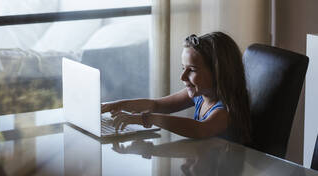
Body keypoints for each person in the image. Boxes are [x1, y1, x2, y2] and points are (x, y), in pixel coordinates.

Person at [101, 31, 251, 144]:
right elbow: (156, 104)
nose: (183, 77)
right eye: (183, 68)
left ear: (219, 73)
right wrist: (116, 104)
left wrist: (146, 118)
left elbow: (200, 129)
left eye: (192, 70)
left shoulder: (224, 111)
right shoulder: (201, 95)